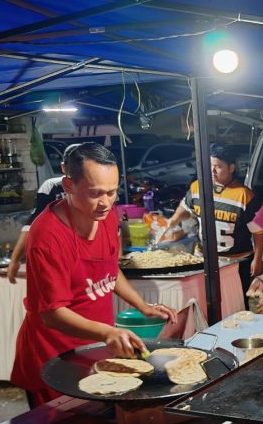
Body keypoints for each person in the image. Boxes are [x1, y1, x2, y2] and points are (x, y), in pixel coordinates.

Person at [10, 143, 176, 408]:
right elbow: (52, 313)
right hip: (54, 357)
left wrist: (142, 306)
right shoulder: (48, 237)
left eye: (112, 192)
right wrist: (108, 332)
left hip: (96, 349)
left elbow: (109, 270)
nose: (106, 202)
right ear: (68, 185)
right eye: (96, 193)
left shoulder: (106, 216)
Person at [164, 143, 263, 293]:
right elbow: (186, 208)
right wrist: (174, 219)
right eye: (209, 165)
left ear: (231, 168)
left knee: (235, 302)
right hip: (202, 257)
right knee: (203, 298)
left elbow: (258, 233)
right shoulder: (197, 187)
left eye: (218, 166)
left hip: (236, 260)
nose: (212, 171)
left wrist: (257, 259)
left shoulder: (244, 195)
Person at [5, 143, 81, 284]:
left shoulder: (98, 188)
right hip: (59, 258)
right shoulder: (52, 186)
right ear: (64, 167)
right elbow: (32, 224)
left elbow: (114, 228)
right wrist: (15, 260)